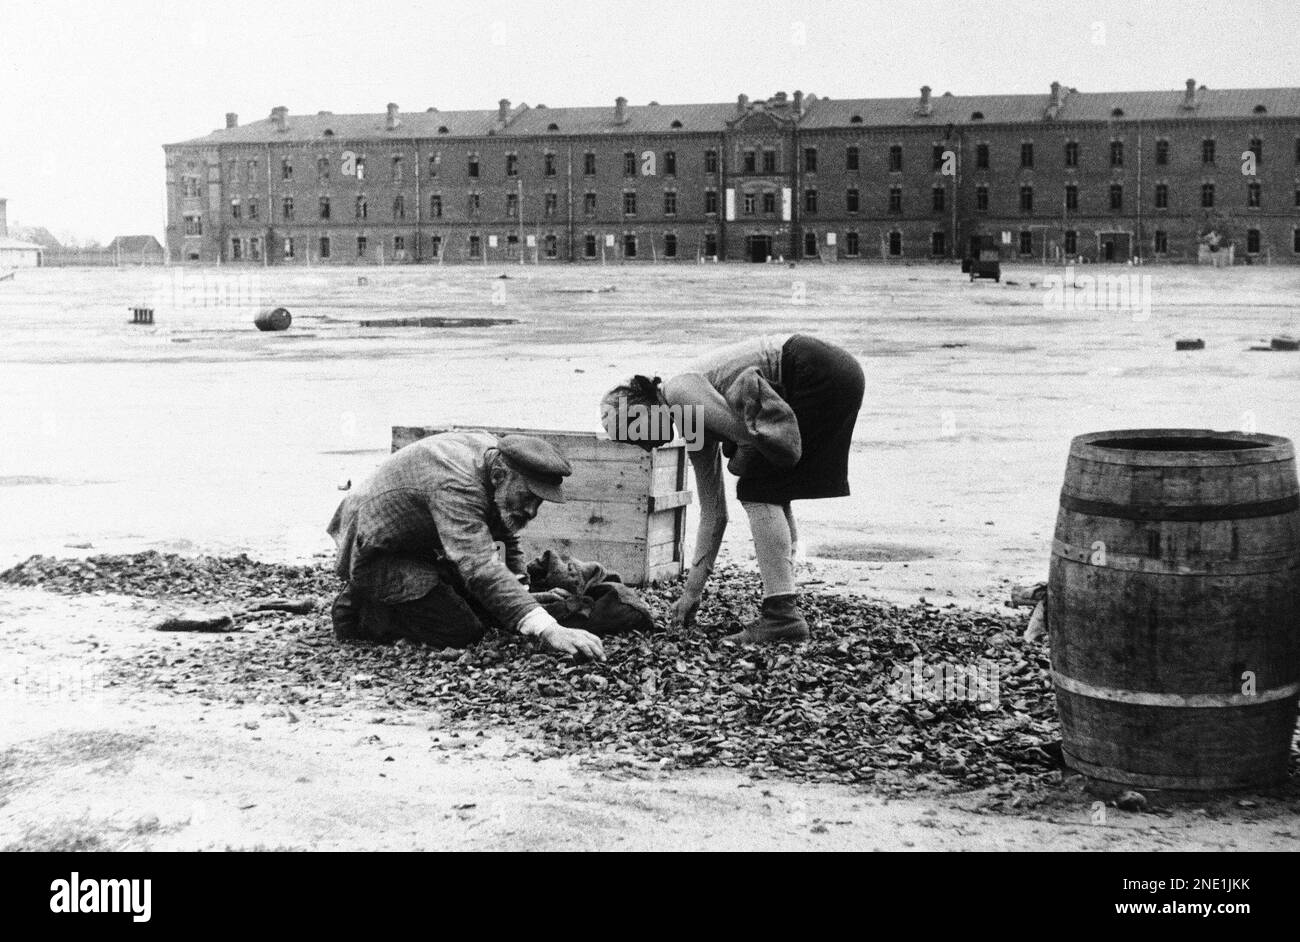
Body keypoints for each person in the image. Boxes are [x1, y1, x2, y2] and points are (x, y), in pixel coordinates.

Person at [601, 334, 864, 643]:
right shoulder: (690, 422)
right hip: (834, 373)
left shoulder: (680, 393)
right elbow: (714, 514)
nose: (641, 445)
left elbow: (751, 441)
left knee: (758, 488)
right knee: (770, 486)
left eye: (632, 430)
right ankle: (784, 603)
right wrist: (691, 593)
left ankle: (782, 615)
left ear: (643, 407)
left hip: (814, 369)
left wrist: (736, 464)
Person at [326, 430, 605, 661]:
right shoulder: (457, 486)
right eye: (528, 497)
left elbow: (503, 532)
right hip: (376, 551)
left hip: (421, 543)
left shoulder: (498, 462)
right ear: (499, 477)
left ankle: (421, 588)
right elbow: (481, 566)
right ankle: (358, 608)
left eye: (539, 502)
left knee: (490, 606)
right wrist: (549, 629)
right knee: (460, 630)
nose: (532, 511)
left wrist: (523, 593)